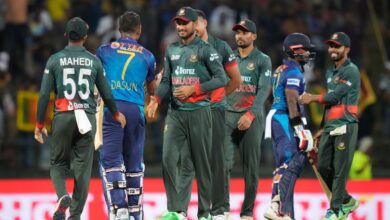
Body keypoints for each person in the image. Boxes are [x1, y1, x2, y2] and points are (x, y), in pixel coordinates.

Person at [34, 17, 126, 220]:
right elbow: (106, 92)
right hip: (87, 117)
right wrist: (116, 113)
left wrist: (39, 124)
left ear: (66, 36)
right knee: (83, 170)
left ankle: (62, 195)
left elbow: (43, 95)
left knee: (58, 164)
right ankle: (74, 216)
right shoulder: (93, 61)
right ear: (85, 37)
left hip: (64, 115)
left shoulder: (54, 59)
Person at [146, 6, 227, 220]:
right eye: (178, 23)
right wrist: (156, 100)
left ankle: (204, 213)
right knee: (168, 159)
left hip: (199, 111)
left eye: (184, 23)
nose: (180, 27)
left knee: (201, 164)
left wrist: (195, 89)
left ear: (194, 24)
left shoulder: (205, 50)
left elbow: (222, 79)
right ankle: (176, 210)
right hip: (176, 113)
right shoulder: (172, 49)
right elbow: (165, 81)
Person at [177, 9, 241, 219]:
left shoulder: (220, 47)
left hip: (214, 110)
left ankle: (220, 210)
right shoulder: (183, 48)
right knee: (187, 159)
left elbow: (235, 79)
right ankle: (180, 210)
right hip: (191, 112)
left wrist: (218, 98)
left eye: (194, 23)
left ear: (203, 23)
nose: (191, 27)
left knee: (217, 160)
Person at [96, 11, 156, 220]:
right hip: (136, 110)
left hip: (113, 109)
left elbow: (96, 80)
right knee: (134, 165)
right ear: (139, 30)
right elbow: (152, 88)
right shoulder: (148, 56)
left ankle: (119, 209)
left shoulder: (104, 51)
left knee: (111, 161)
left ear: (119, 29)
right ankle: (135, 212)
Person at [300, 32, 360, 220]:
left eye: (337, 46)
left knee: (339, 169)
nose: (333, 49)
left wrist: (312, 98)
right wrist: (321, 127)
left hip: (346, 125)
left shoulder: (351, 70)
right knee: (323, 165)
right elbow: (329, 104)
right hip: (330, 126)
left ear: (347, 49)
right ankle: (347, 200)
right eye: (331, 46)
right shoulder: (330, 72)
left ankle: (334, 210)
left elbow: (335, 97)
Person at [263, 33, 315, 220]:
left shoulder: (280, 69)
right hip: (285, 118)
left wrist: (278, 110)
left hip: (278, 118)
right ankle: (279, 207)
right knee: (294, 161)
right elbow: (292, 100)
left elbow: (269, 96)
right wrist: (299, 128)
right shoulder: (294, 72)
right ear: (297, 50)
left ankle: (283, 211)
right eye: (306, 49)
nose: (309, 53)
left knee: (283, 166)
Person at [224, 19, 272, 219]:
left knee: (251, 169)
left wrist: (251, 114)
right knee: (223, 164)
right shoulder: (228, 57)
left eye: (244, 33)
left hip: (252, 118)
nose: (240, 36)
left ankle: (246, 213)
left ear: (254, 36)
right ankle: (222, 211)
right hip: (227, 115)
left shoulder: (262, 59)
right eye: (237, 32)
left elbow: (264, 90)